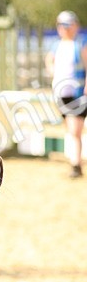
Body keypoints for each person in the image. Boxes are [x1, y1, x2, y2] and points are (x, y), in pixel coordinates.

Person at [48, 10, 87, 178]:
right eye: (60, 25)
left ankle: (76, 165)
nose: (63, 28)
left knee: (74, 130)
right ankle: (74, 162)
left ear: (75, 26)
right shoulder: (56, 45)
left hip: (78, 94)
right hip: (61, 94)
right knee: (70, 130)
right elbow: (49, 60)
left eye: (67, 25)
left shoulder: (80, 45)